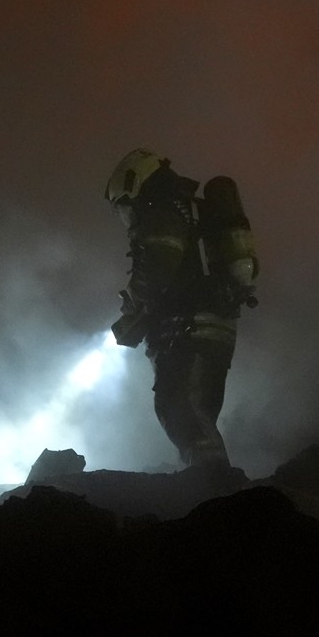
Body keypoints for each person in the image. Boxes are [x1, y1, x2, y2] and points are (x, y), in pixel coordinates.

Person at [103, 149, 258, 468]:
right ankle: (213, 489)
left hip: (187, 327)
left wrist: (134, 301)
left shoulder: (161, 208)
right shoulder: (185, 209)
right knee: (194, 410)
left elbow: (159, 265)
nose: (124, 216)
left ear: (133, 185)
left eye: (122, 207)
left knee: (180, 409)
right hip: (207, 325)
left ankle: (215, 489)